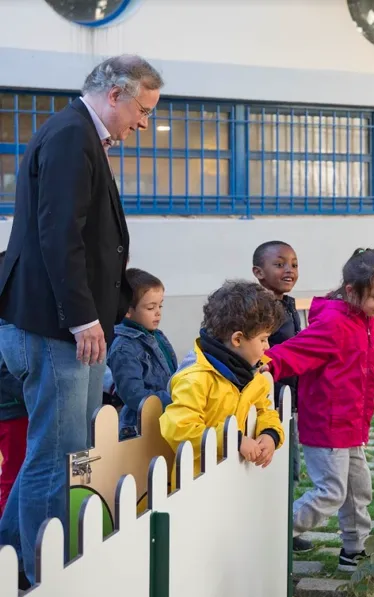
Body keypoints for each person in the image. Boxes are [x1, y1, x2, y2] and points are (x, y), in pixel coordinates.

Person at [0, 54, 163, 587]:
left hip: (68, 324)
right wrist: (81, 318)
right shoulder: (72, 135)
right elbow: (57, 236)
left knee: (59, 451)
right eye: (142, 109)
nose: (144, 123)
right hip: (56, 326)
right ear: (114, 94)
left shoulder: (81, 133)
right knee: (61, 454)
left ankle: (13, 560)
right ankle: (44, 572)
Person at [263, 248, 374, 572]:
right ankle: (274, 533)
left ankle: (355, 551)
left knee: (358, 490)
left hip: (351, 424)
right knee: (331, 493)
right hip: (327, 425)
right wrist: (263, 366)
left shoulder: (364, 319)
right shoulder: (335, 324)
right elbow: (293, 351)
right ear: (352, 291)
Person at [159, 281, 285, 486]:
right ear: (237, 339)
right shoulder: (196, 378)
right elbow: (178, 428)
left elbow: (265, 410)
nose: (267, 346)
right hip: (197, 485)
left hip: (234, 483)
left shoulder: (254, 375)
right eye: (263, 339)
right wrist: (232, 441)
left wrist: (270, 434)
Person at [250, 239, 311, 553]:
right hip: (267, 401)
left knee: (290, 464)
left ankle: (285, 525)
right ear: (258, 272)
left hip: (290, 400)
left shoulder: (287, 303)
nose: (289, 270)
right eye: (280, 264)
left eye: (294, 264)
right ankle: (271, 526)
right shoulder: (259, 308)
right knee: (273, 464)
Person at [107, 268, 178, 440]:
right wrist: (172, 399)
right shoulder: (124, 348)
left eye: (160, 306)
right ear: (127, 311)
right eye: (150, 307)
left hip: (165, 418)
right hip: (138, 429)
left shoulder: (157, 336)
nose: (158, 312)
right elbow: (133, 394)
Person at [0, 252, 27, 519]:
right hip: (13, 413)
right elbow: (6, 374)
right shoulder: (7, 325)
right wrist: (33, 393)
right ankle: (7, 526)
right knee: (13, 471)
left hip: (17, 410)